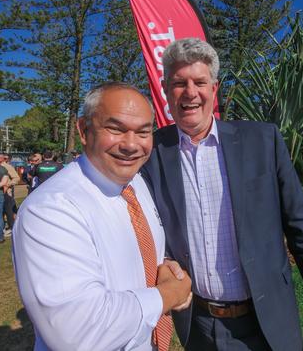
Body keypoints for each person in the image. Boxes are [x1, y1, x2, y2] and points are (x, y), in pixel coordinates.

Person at [142, 38, 303, 351]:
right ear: (164, 88)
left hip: (266, 319)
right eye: (178, 83)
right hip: (198, 326)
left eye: (199, 82)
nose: (190, 92)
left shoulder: (262, 141)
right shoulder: (151, 153)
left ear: (214, 89)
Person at [12, 82, 192, 350]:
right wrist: (167, 294)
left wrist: (164, 265)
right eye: (116, 129)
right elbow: (79, 332)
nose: (131, 145)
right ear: (84, 131)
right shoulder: (51, 209)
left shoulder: (137, 184)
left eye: (143, 132)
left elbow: (134, 251)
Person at [0, 152, 20, 235]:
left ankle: (11, 228)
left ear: (2, 158)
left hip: (6, 192)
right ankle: (0, 228)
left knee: (9, 211)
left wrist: (8, 184)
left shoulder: (8, 167)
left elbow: (16, 178)